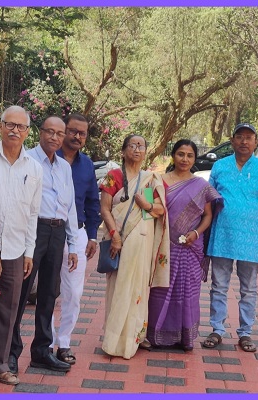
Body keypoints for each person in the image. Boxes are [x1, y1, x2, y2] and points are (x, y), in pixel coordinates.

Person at [9, 116, 79, 373]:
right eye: (50, 132)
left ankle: (41, 351)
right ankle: (10, 353)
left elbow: (70, 207)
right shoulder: (26, 160)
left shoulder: (64, 167)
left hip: (57, 232)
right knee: (21, 292)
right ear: (39, 132)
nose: (54, 137)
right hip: (33, 230)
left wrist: (72, 244)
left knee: (49, 293)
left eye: (59, 134)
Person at [0, 106, 43, 386]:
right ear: (0, 126)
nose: (15, 130)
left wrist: (29, 251)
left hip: (16, 250)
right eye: (10, 124)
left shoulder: (34, 168)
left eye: (21, 126)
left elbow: (33, 213)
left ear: (28, 132)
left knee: (7, 311)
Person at [204, 123, 258, 352]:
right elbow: (208, 200)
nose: (244, 141)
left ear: (256, 142)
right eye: (240, 137)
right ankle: (217, 329)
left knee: (249, 288)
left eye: (249, 137)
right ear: (232, 140)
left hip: (252, 238)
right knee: (219, 286)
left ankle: (245, 333)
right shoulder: (220, 166)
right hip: (222, 235)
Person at [147, 140, 223, 351]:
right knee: (159, 290)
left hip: (190, 247)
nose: (185, 159)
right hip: (162, 246)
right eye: (181, 154)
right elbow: (147, 212)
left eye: (190, 155)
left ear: (194, 159)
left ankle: (185, 337)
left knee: (187, 292)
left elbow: (208, 215)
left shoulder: (201, 186)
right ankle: (155, 335)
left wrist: (196, 233)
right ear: (173, 155)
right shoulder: (156, 181)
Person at [99, 134, 170, 359]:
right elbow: (105, 209)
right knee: (119, 287)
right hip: (119, 241)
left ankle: (133, 337)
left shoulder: (149, 179)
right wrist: (115, 236)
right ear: (123, 151)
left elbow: (156, 212)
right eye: (132, 145)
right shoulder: (114, 176)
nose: (137, 149)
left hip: (141, 242)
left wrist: (146, 204)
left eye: (141, 146)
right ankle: (114, 340)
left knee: (138, 289)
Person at [50, 113, 101, 364]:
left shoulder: (87, 165)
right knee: (48, 290)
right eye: (73, 131)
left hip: (77, 234)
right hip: (49, 232)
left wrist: (92, 236)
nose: (77, 136)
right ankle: (47, 341)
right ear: (63, 131)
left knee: (74, 292)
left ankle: (64, 342)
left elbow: (93, 203)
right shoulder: (48, 158)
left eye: (82, 133)